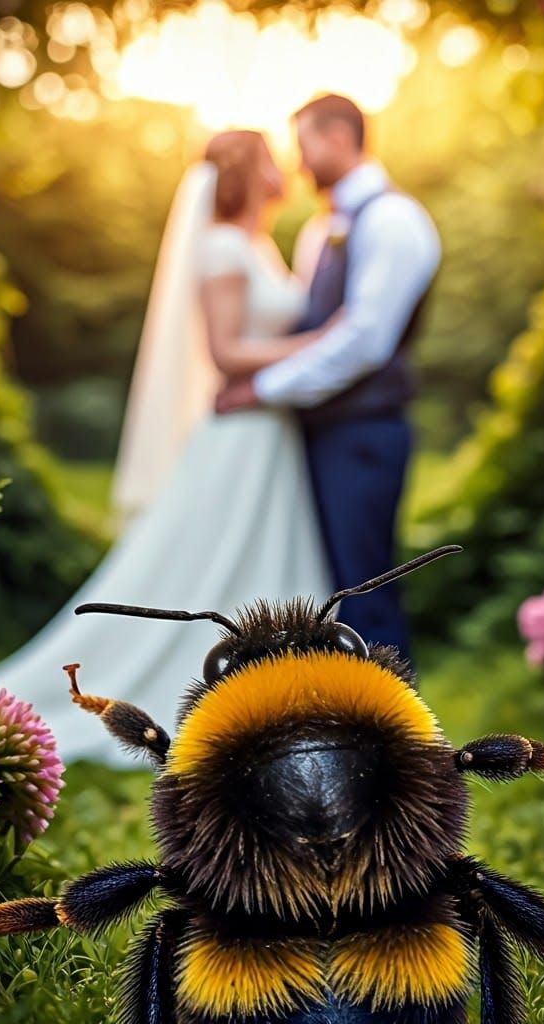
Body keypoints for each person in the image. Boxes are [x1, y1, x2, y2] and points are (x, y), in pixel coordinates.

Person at [0, 130, 332, 764]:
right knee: (216, 563)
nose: (283, 169)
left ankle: (280, 682)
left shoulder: (257, 244)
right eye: (270, 158)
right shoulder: (221, 247)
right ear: (247, 172)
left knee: (262, 557)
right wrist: (324, 341)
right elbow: (225, 352)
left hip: (271, 432)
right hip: (239, 434)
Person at [217, 94, 442, 661]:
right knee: (331, 589)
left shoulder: (393, 220)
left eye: (305, 145)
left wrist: (261, 389)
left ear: (339, 138)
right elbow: (312, 327)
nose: (299, 163)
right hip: (319, 434)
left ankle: (396, 736)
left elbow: (365, 341)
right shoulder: (324, 229)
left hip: (364, 434)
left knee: (366, 589)